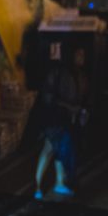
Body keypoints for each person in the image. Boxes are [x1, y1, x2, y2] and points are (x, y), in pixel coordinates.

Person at [34, 52, 79, 200]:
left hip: (56, 119)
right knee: (48, 150)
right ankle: (38, 187)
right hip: (53, 119)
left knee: (58, 151)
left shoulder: (60, 73)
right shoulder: (59, 74)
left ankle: (58, 183)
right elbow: (50, 99)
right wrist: (69, 108)